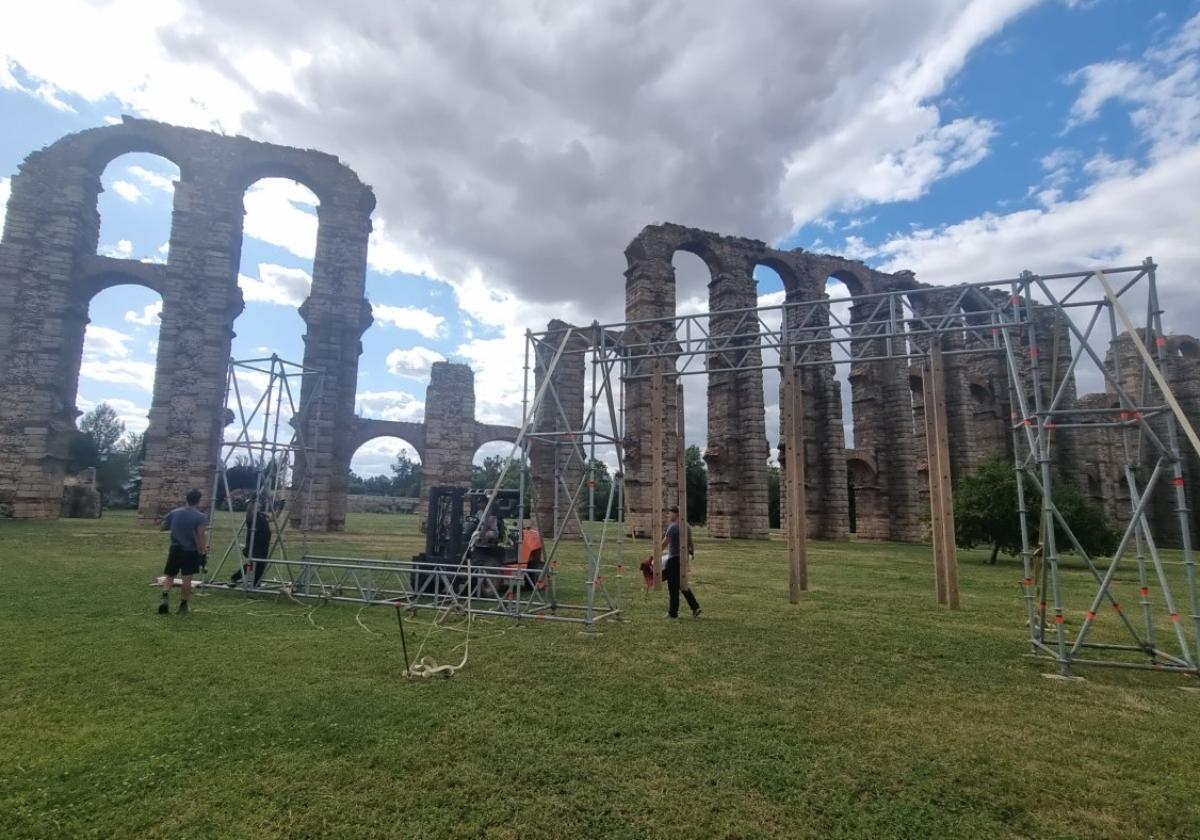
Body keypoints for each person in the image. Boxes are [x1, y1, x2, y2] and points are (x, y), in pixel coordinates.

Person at [158, 489, 209, 616]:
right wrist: (203, 550)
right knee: (187, 579)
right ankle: (183, 606)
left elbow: (162, 527)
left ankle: (164, 596)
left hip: (175, 549)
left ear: (186, 499)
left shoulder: (174, 513)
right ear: (198, 501)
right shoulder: (201, 517)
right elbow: (201, 535)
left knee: (170, 575)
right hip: (191, 551)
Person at [660, 506, 701, 619]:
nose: (668, 516)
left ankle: (673, 613)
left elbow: (664, 543)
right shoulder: (686, 525)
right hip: (683, 558)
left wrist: (655, 554)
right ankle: (695, 607)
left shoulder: (673, 527)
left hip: (673, 560)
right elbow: (691, 542)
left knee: (673, 587)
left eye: (670, 513)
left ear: (676, 514)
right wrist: (692, 553)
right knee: (682, 585)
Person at [230, 499, 271, 588]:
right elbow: (251, 513)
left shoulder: (261, 516)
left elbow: (273, 519)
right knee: (253, 564)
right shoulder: (251, 517)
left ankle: (255, 583)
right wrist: (252, 502)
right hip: (254, 545)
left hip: (263, 545)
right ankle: (236, 577)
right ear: (253, 507)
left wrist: (279, 509)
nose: (260, 506)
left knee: (260, 565)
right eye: (257, 506)